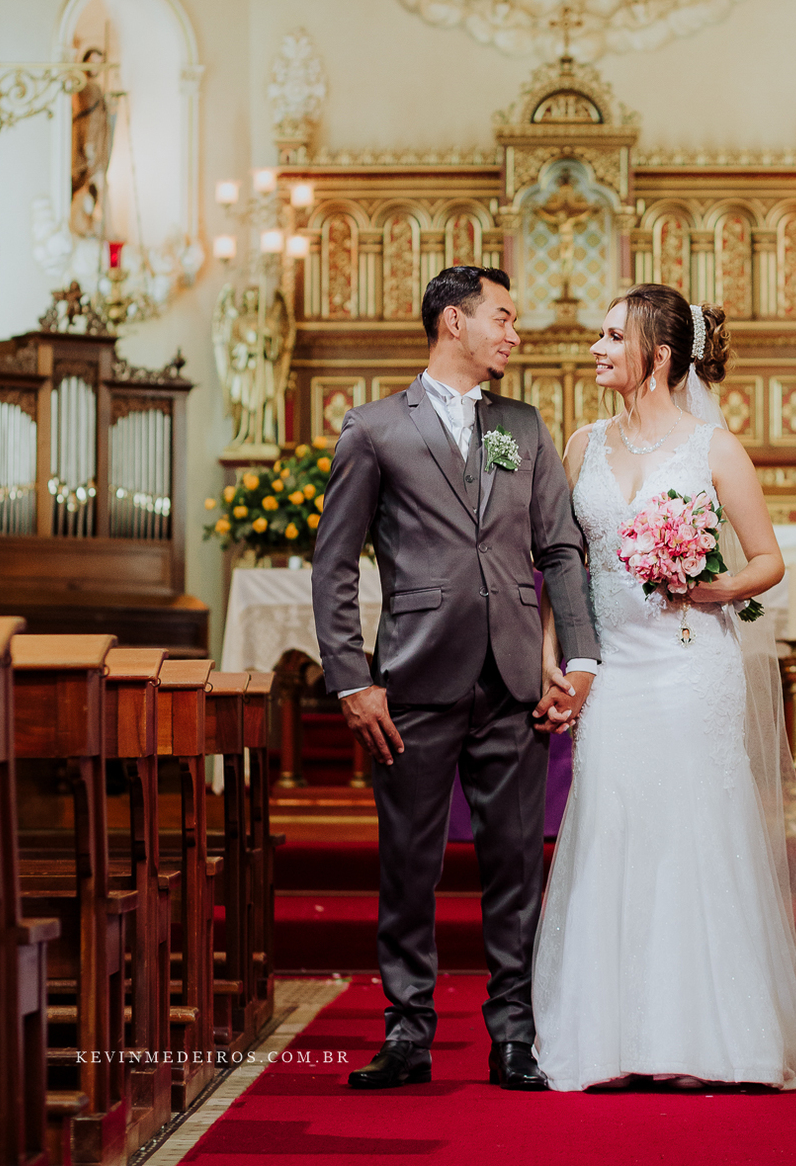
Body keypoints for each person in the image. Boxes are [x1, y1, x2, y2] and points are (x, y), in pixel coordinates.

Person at [533, 284, 796, 1090]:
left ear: (660, 355)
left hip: (687, 665)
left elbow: (766, 560)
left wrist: (703, 587)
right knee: (614, 823)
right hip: (612, 671)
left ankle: (711, 1039)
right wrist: (556, 649)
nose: (597, 347)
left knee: (690, 833)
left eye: (615, 336)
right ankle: (614, 1038)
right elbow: (562, 565)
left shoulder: (714, 450)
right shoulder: (581, 443)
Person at [311, 266, 600, 1092]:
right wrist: (349, 679)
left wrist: (577, 662)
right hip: (411, 681)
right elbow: (333, 567)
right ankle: (407, 1032)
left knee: (516, 864)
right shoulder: (373, 429)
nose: (514, 332)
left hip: (515, 681)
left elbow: (560, 551)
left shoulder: (525, 425)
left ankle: (516, 1035)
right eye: (501, 317)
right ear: (452, 322)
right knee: (409, 864)